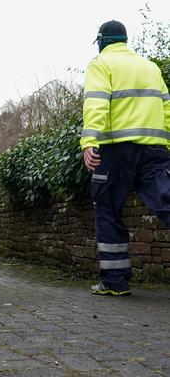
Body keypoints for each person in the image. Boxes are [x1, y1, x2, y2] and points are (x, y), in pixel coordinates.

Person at [81, 19, 170, 296]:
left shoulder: (101, 64)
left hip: (116, 150)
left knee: (107, 207)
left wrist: (89, 142)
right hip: (154, 149)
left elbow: (95, 102)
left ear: (101, 40)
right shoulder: (150, 67)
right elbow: (166, 109)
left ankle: (115, 282)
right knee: (166, 200)